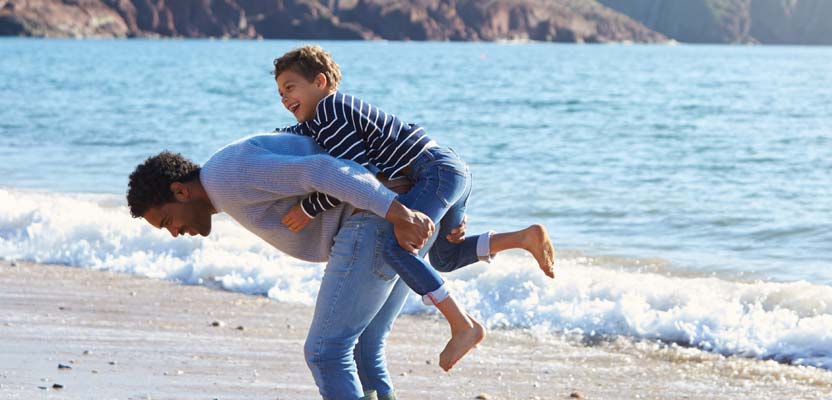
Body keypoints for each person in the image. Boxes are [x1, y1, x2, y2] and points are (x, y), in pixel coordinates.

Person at [271, 45, 555, 370]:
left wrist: (310, 207)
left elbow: (355, 174)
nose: (283, 98)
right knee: (445, 257)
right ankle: (523, 238)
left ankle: (463, 325)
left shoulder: (329, 111)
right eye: (280, 93)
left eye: (290, 88)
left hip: (432, 172)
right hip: (449, 168)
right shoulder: (325, 117)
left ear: (320, 82)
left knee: (398, 247)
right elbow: (294, 136)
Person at [127, 133, 463, 399]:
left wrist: (399, 214)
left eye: (168, 220)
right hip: (394, 214)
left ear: (180, 191)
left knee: (325, 352)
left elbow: (320, 170)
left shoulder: (225, 177)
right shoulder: (225, 177)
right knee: (364, 345)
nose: (174, 233)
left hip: (381, 219)